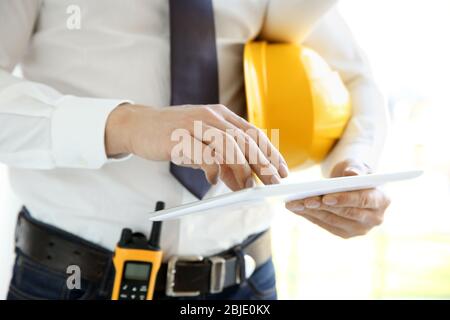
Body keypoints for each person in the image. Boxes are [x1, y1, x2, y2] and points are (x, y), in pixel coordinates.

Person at [0, 0, 390, 300]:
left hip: (246, 282)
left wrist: (354, 166)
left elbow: (356, 77)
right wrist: (125, 125)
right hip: (72, 279)